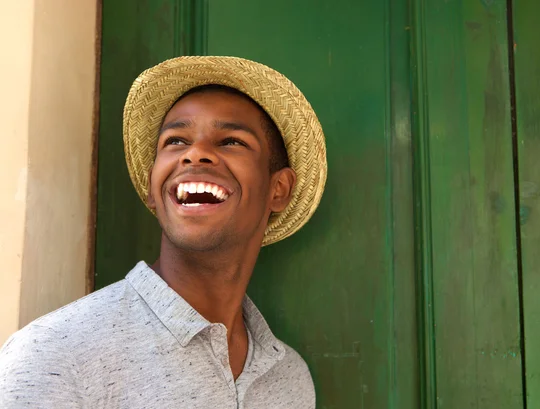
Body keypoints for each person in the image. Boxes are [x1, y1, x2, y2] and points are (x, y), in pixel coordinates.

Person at [0, 56, 327, 408]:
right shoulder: (55, 355)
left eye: (231, 141)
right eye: (175, 141)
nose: (196, 153)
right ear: (152, 189)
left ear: (278, 189)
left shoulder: (289, 378)